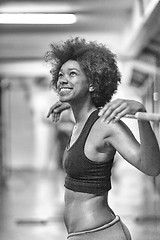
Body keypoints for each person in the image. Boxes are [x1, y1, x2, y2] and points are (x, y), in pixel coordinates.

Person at [45, 37, 160, 240]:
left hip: (101, 234)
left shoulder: (106, 124)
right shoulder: (79, 123)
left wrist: (142, 114)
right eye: (61, 74)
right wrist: (73, 103)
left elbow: (151, 167)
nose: (63, 79)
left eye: (72, 74)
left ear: (92, 84)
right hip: (81, 234)